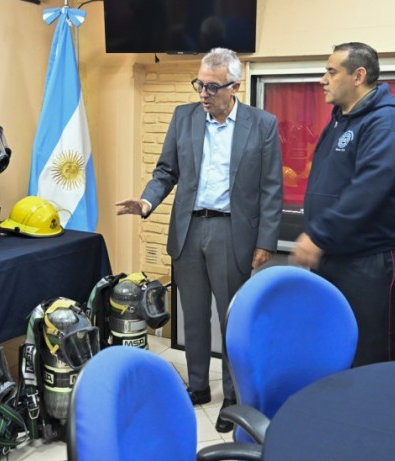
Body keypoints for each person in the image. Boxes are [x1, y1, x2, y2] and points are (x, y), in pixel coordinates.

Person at [116, 47, 283, 433]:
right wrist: (146, 201)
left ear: (234, 86)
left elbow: (271, 189)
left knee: (231, 319)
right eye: (199, 85)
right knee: (192, 315)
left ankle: (233, 397)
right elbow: (165, 171)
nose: (203, 94)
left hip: (232, 232)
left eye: (211, 87)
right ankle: (196, 386)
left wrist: (266, 242)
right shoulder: (184, 117)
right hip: (189, 229)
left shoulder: (262, 125)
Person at [290, 42, 395, 367]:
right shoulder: (339, 120)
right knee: (335, 342)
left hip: (369, 261)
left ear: (358, 75)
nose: (323, 79)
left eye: (331, 71)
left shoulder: (386, 123)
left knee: (370, 349)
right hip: (334, 255)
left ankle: (378, 416)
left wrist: (320, 234)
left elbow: (369, 189)